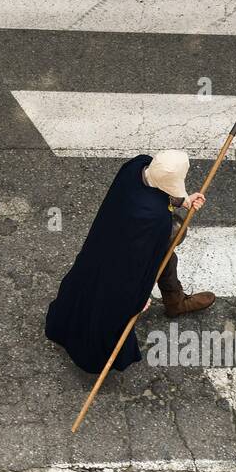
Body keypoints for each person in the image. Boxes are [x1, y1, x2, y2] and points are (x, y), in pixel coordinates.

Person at [45, 150, 216, 376]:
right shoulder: (156, 219)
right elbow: (142, 265)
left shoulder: (136, 166)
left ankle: (174, 300)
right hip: (123, 258)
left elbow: (157, 189)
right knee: (110, 298)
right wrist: (139, 297)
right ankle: (174, 301)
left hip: (105, 242)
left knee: (87, 285)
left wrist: (183, 200)